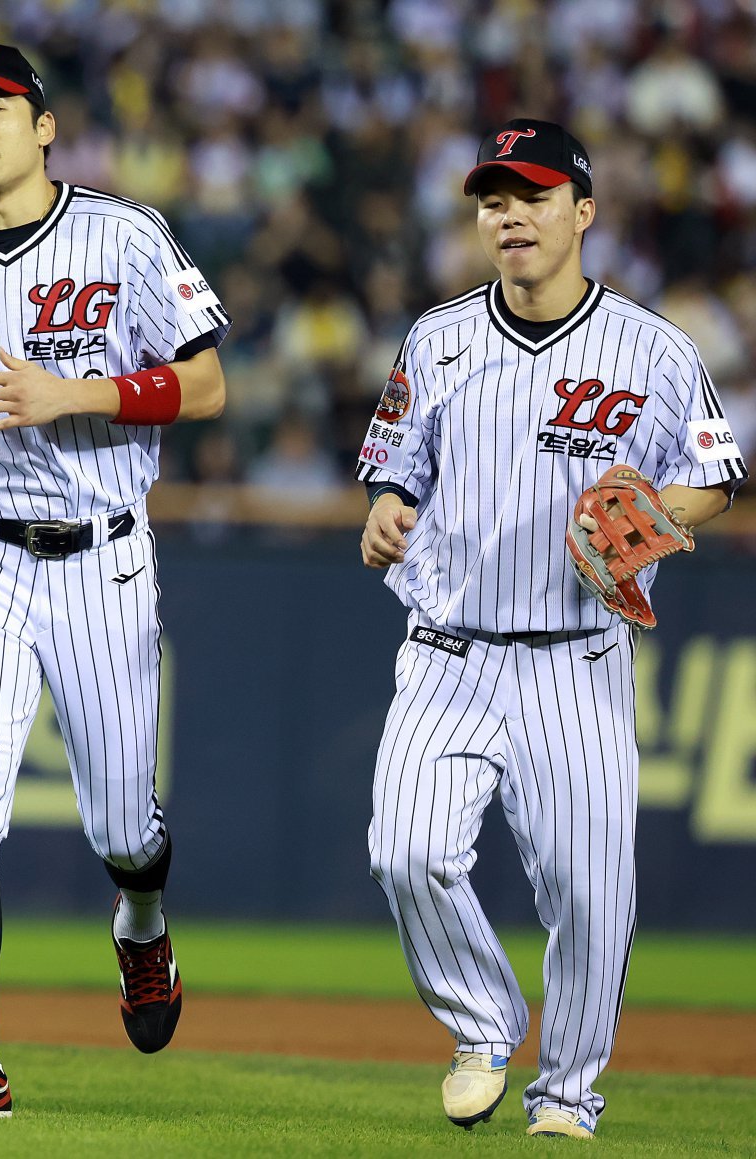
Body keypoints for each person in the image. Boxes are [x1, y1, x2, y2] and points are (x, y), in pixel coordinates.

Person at [356, 119, 747, 1139]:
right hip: (448, 652)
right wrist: (387, 506)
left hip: (575, 661)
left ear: (582, 211)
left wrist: (654, 523)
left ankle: (566, 1093)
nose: (509, 215)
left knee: (589, 893)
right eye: (493, 198)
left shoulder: (652, 348)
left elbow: (715, 475)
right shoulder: (436, 338)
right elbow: (395, 463)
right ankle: (483, 1021)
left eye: (530, 196)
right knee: (404, 852)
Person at [0, 42, 229, 1115]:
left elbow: (205, 384)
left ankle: (143, 930)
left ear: (44, 124)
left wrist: (76, 394)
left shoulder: (121, 234)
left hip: (102, 558)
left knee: (125, 829)